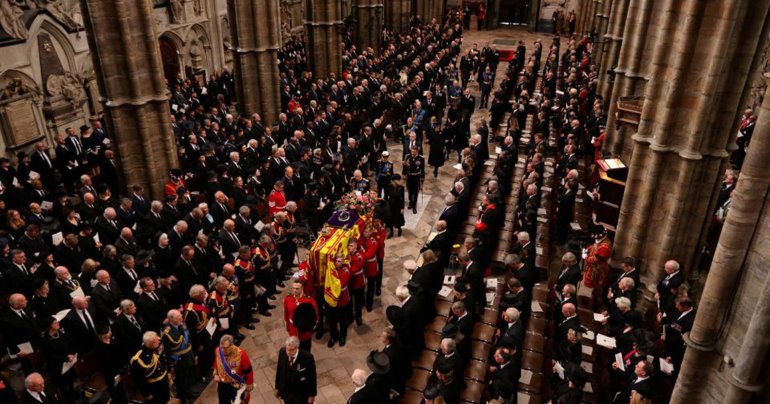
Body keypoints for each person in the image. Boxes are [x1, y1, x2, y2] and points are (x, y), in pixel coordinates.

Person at [161, 309, 196, 404]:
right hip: (179, 360)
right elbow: (167, 351)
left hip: (188, 355)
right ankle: (183, 397)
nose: (181, 318)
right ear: (171, 319)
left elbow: (187, 339)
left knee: (189, 375)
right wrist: (171, 364)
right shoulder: (167, 332)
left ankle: (189, 392)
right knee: (181, 380)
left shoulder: (181, 324)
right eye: (179, 317)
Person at [129, 331, 170, 404]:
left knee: (165, 400)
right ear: (150, 344)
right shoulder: (139, 360)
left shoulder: (156, 347)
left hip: (163, 384)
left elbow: (164, 362)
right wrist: (146, 394)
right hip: (154, 389)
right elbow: (139, 380)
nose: (159, 341)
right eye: (156, 341)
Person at [275, 336, 317, 404]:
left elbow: (312, 377)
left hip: (301, 394)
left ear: (297, 347)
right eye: (287, 349)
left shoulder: (307, 357)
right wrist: (277, 388)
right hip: (286, 392)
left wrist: (312, 395)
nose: (288, 352)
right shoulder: (282, 352)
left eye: (291, 349)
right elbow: (279, 370)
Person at [214, 334, 254, 403]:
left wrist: (249, 385)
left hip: (236, 385)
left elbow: (249, 371)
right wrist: (215, 373)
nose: (222, 350)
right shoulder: (218, 350)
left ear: (231, 346)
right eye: (221, 347)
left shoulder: (242, 355)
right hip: (222, 385)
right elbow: (216, 362)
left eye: (225, 348)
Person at [284, 279, 319, 352]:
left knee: (305, 352)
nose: (294, 290)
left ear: (302, 288)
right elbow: (286, 314)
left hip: (305, 333)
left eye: (297, 289)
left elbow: (315, 316)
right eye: (293, 288)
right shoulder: (288, 299)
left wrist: (311, 327)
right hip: (293, 331)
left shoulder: (309, 300)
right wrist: (287, 326)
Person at [403, 145, 425, 213]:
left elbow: (422, 169)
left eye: (414, 152)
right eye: (412, 151)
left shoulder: (421, 158)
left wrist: (422, 179)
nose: (412, 153)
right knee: (409, 191)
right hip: (409, 176)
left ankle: (414, 206)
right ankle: (410, 202)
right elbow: (405, 167)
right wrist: (403, 174)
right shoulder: (407, 157)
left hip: (416, 177)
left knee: (415, 192)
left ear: (417, 151)